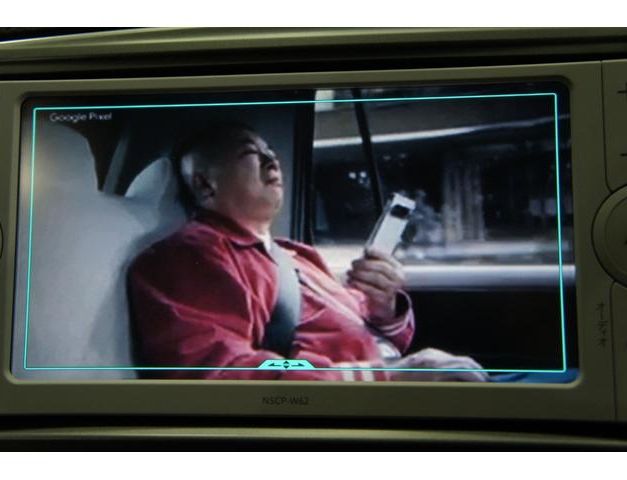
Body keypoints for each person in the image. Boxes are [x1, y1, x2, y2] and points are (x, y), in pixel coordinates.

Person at [127, 122, 488, 381]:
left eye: (271, 152)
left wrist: (385, 308)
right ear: (205, 184)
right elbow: (226, 371)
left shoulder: (294, 254)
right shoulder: (188, 257)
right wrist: (383, 377)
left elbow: (366, 332)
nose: (272, 161)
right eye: (250, 154)